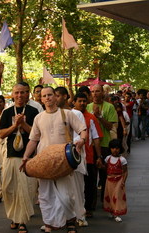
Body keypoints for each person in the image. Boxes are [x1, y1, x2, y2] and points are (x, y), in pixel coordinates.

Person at [20, 86, 87, 233]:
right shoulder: (39, 117)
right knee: (45, 195)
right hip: (44, 161)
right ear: (41, 99)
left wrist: (82, 140)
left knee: (66, 195)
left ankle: (70, 221)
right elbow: (33, 140)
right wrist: (25, 157)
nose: (47, 98)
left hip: (63, 160)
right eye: (44, 96)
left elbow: (82, 129)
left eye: (50, 95)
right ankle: (49, 223)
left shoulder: (67, 114)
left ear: (56, 97)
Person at [0, 83, 39, 233]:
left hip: (27, 157)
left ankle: (22, 221)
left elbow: (36, 135)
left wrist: (24, 124)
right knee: (8, 188)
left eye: (23, 93)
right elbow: (1, 134)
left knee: (26, 190)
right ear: (13, 94)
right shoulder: (7, 112)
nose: (20, 96)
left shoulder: (34, 111)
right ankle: (14, 217)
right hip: (10, 156)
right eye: (17, 93)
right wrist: (15, 126)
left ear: (28, 94)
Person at [55, 87, 88, 227]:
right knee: (61, 191)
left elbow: (81, 134)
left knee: (77, 189)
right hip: (58, 157)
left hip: (73, 156)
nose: (54, 98)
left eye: (57, 95)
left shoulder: (76, 114)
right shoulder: (52, 114)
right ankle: (61, 219)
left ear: (65, 97)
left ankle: (80, 216)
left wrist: (73, 146)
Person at [72, 92, 103, 220]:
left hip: (88, 156)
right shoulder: (67, 115)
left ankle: (88, 208)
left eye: (84, 101)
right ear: (74, 102)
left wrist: (99, 156)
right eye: (79, 101)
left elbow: (96, 138)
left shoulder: (91, 117)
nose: (82, 103)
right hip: (71, 157)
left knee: (89, 184)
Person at [86, 84, 118, 201]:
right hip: (90, 146)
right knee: (91, 176)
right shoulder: (87, 106)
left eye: (97, 91)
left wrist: (99, 117)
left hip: (104, 145)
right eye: (93, 91)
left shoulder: (109, 107)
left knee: (104, 175)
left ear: (103, 93)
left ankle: (105, 200)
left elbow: (110, 126)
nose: (95, 94)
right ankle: (91, 203)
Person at [103, 139, 128, 222]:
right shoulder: (107, 158)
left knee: (117, 197)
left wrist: (123, 181)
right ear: (110, 149)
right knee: (109, 196)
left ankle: (117, 213)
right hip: (109, 181)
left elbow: (125, 171)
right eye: (113, 148)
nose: (115, 150)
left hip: (118, 181)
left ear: (120, 149)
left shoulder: (122, 160)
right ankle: (111, 210)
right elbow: (106, 168)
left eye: (117, 148)